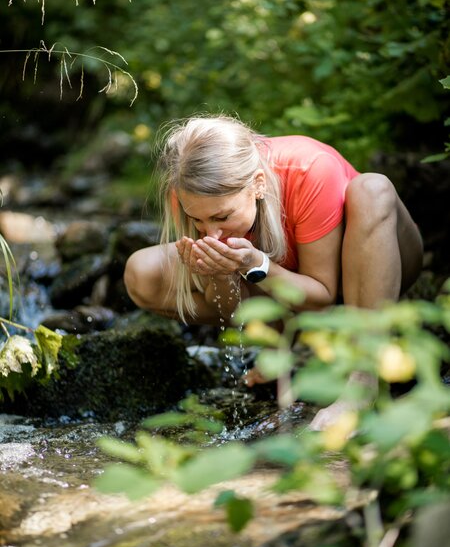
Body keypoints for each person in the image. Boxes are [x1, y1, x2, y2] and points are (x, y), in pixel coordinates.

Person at [124, 114, 423, 428]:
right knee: (142, 273)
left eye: (222, 217)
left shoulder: (309, 169)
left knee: (372, 188)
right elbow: (227, 308)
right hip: (284, 285)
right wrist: (219, 273)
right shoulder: (190, 190)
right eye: (199, 221)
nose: (211, 233)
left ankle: (364, 379)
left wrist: (255, 264)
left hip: (373, 270)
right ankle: (276, 347)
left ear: (257, 184)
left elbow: (322, 299)